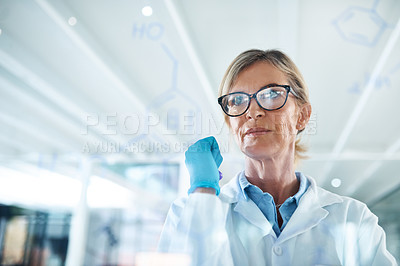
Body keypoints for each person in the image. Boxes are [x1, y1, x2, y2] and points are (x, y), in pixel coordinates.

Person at [158, 49, 397, 265]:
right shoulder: (186, 214)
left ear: (302, 116)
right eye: (237, 100)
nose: (253, 111)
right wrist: (203, 195)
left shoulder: (353, 218)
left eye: (271, 94)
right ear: (230, 122)